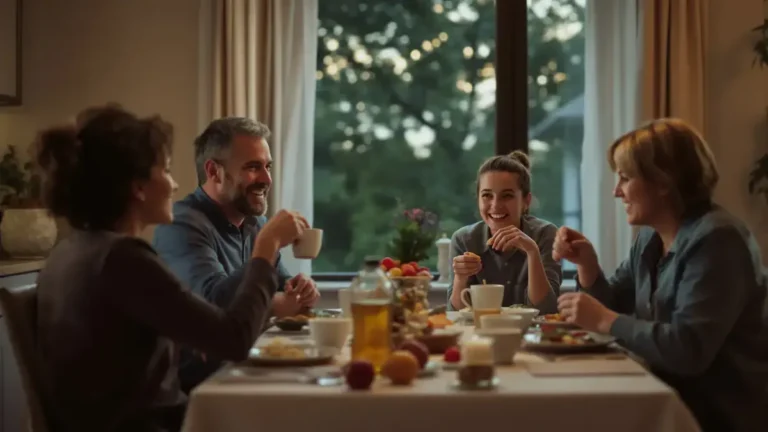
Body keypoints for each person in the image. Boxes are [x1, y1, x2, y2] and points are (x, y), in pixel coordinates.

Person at [34, 105, 310, 432]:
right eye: (165, 170)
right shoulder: (124, 259)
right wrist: (266, 247)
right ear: (138, 187)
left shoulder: (74, 250)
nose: (175, 184)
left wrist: (187, 338)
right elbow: (234, 340)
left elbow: (119, 343)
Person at [553, 118, 768, 431]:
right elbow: (613, 303)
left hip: (717, 416)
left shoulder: (719, 239)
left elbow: (688, 350)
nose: (616, 192)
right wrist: (588, 265)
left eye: (625, 178)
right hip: (666, 397)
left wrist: (604, 320)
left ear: (663, 180)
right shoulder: (650, 237)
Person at [152, 117, 320, 393]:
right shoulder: (181, 225)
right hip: (200, 385)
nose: (266, 179)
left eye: (268, 167)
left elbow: (281, 288)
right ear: (214, 171)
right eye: (253, 167)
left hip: (247, 369)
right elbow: (212, 305)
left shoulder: (257, 224)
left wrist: (302, 290)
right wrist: (267, 247)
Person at [447, 150, 562, 313]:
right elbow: (454, 315)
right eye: (487, 195)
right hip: (480, 336)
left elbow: (546, 310)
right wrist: (460, 278)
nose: (495, 205)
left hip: (532, 336)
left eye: (507, 196)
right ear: (478, 199)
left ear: (526, 201)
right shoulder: (464, 239)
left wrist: (532, 251)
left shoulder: (545, 234)